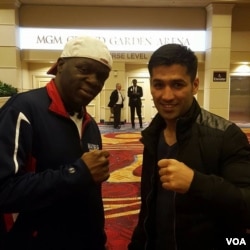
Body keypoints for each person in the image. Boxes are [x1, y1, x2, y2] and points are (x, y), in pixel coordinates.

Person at [128, 44, 250, 250]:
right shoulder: (153, 135)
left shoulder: (226, 135)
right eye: (159, 85)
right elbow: (150, 206)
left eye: (177, 85)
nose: (166, 96)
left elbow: (246, 206)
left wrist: (196, 183)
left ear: (194, 85)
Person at [0, 36, 113, 250]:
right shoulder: (23, 110)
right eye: (84, 69)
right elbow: (4, 189)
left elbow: (89, 195)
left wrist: (97, 239)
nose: (93, 81)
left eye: (101, 77)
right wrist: (76, 173)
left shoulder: (90, 126)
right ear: (60, 65)